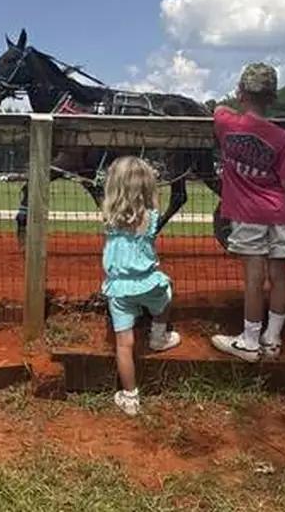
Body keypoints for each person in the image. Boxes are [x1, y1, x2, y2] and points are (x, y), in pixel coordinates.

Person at [210, 63, 285, 362]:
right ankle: (272, 340)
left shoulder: (227, 124)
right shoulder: (281, 138)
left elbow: (219, 109)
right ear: (272, 99)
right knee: (279, 276)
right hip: (278, 211)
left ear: (241, 93)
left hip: (247, 213)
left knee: (253, 277)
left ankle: (249, 342)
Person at [100, 155, 182, 415]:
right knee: (166, 292)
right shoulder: (151, 217)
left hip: (120, 289)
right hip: (148, 285)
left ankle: (130, 396)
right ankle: (158, 335)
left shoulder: (109, 218)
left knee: (124, 344)